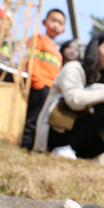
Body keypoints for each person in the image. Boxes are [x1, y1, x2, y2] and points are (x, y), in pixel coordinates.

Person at [33, 31, 104, 160]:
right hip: (56, 130)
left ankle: (77, 153)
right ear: (95, 48)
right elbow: (74, 101)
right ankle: (62, 148)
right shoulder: (73, 68)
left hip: (77, 132)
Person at [20, 8, 66, 150]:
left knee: (43, 122)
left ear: (63, 29)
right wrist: (37, 82)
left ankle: (37, 148)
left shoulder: (58, 52)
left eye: (60, 23)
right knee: (32, 119)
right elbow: (31, 61)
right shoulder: (37, 39)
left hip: (51, 89)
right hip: (40, 86)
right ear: (45, 22)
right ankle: (25, 147)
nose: (56, 25)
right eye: (53, 20)